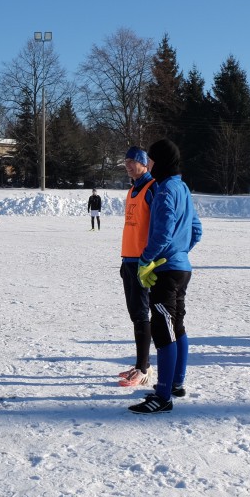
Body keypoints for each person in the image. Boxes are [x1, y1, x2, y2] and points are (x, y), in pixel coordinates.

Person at [128, 139, 203, 414]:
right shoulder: (183, 187)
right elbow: (196, 229)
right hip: (181, 267)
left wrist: (147, 259)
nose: (147, 164)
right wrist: (180, 251)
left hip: (166, 270)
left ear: (160, 161)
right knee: (177, 325)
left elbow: (162, 231)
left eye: (151, 160)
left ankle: (163, 396)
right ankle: (176, 383)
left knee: (163, 330)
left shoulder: (164, 190)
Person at [117, 147, 157, 388]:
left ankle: (143, 369)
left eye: (133, 161)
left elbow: (159, 226)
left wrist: (150, 259)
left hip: (143, 262)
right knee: (135, 315)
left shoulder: (152, 188)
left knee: (142, 315)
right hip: (128, 259)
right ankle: (143, 363)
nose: (128, 165)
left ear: (144, 163)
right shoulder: (133, 189)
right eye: (126, 161)